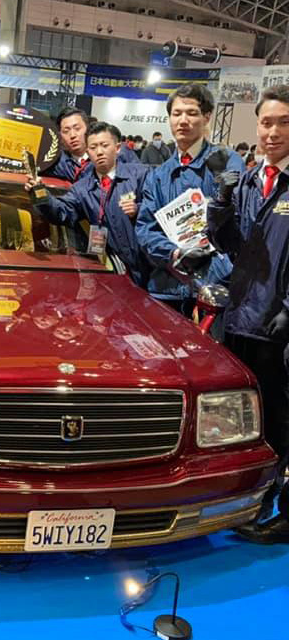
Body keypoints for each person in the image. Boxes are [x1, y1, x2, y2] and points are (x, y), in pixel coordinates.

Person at [207, 85, 289, 542]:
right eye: (266, 122)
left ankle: (286, 514)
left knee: (283, 418)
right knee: (249, 418)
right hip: (242, 316)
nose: (272, 132)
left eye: (283, 123)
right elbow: (230, 247)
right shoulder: (251, 181)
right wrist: (219, 206)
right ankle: (253, 500)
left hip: (279, 324)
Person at [135, 83, 245, 314]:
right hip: (166, 289)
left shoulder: (227, 162)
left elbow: (240, 220)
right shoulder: (158, 176)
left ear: (207, 117)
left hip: (217, 289)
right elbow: (145, 229)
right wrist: (175, 253)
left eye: (191, 113)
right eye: (177, 114)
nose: (183, 120)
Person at [25, 122, 150, 286]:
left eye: (104, 145)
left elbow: (160, 208)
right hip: (119, 270)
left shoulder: (140, 175)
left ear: (117, 148)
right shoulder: (82, 189)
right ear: (87, 152)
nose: (99, 152)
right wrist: (39, 193)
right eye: (93, 147)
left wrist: (138, 209)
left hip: (152, 266)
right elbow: (61, 211)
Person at [41, 106, 90, 182]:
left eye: (77, 128)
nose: (72, 135)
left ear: (88, 129)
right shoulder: (56, 162)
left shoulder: (100, 157)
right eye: (66, 131)